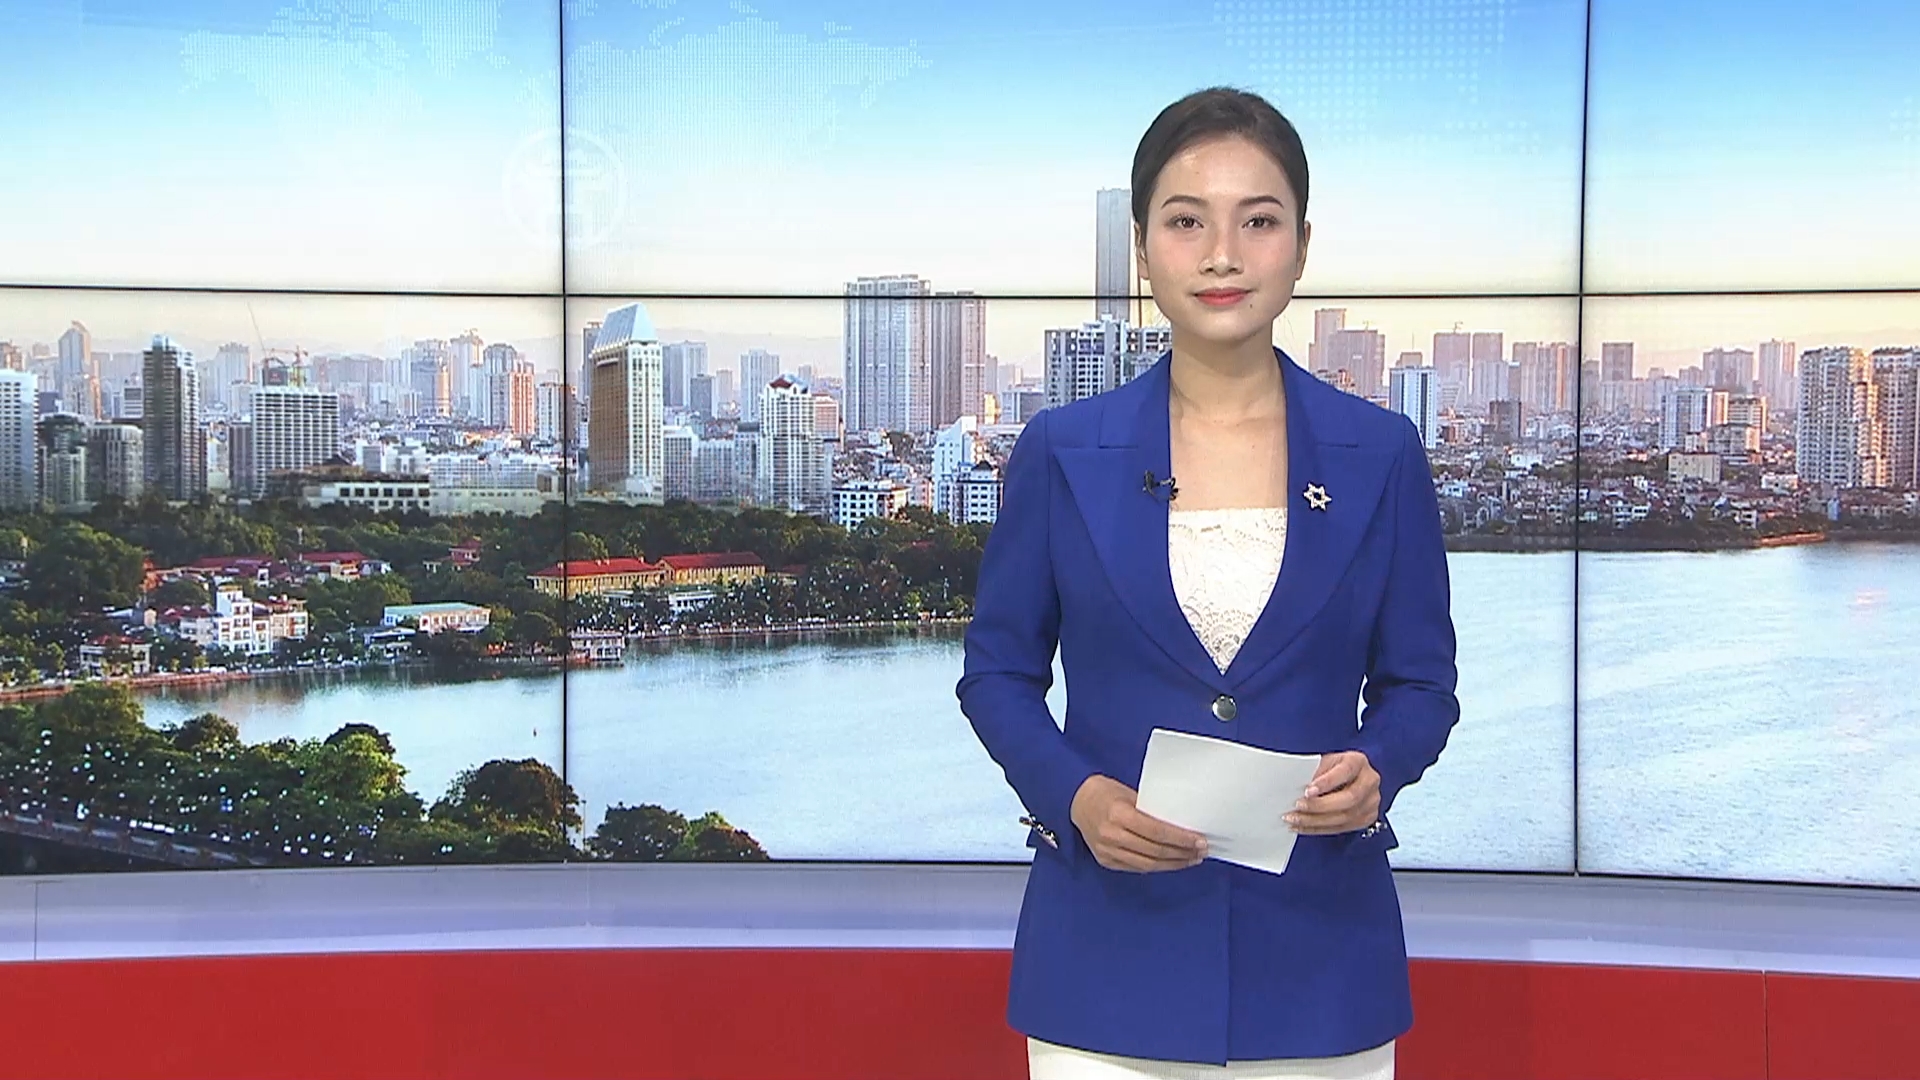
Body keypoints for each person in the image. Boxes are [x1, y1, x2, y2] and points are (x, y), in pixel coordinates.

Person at [956, 86, 1460, 1079]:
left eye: (1258, 222)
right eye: (1187, 222)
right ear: (1144, 251)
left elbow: (1421, 686)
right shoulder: (1061, 450)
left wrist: (1378, 767)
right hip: (1106, 957)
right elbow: (997, 675)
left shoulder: (1383, 453)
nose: (1223, 255)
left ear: (1302, 247)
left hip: (1320, 966)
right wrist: (1075, 797)